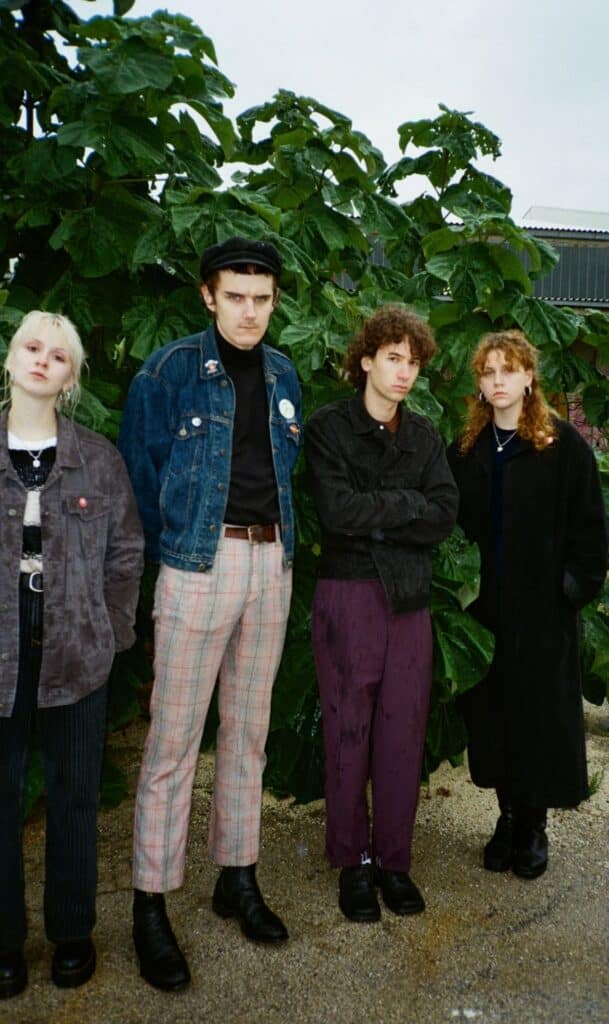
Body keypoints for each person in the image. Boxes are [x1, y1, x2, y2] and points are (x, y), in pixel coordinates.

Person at [119, 237, 302, 991]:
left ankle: (237, 876)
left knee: (248, 735)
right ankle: (150, 905)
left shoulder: (287, 373)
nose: (249, 312)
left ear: (274, 301)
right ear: (207, 296)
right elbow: (139, 479)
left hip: (272, 563)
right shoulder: (167, 373)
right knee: (172, 741)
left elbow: (285, 471)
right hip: (197, 566)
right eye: (235, 296)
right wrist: (173, 560)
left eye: (261, 299)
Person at [0, 311, 144, 1000]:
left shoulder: (99, 459)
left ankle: (71, 934)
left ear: (71, 378)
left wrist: (111, 632)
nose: (41, 361)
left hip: (77, 655)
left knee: (75, 799)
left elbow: (125, 552)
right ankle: (3, 941)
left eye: (58, 356)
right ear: (9, 357)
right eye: (31, 346)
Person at [305, 306, 458, 922]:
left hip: (410, 603)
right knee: (348, 732)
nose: (404, 373)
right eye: (393, 358)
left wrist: (383, 515)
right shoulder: (327, 429)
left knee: (402, 735)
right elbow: (337, 512)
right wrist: (405, 507)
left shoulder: (423, 437)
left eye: (414, 362)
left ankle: (394, 862)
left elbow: (444, 513)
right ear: (366, 359)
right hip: (347, 595)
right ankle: (353, 864)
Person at [447, 329, 609, 880]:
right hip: (484, 614)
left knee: (537, 719)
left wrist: (568, 591)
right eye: (488, 373)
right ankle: (506, 816)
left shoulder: (561, 447)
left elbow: (592, 531)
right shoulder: (466, 450)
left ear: (528, 377)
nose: (498, 382)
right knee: (494, 720)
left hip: (542, 615)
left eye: (507, 371)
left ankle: (533, 825)